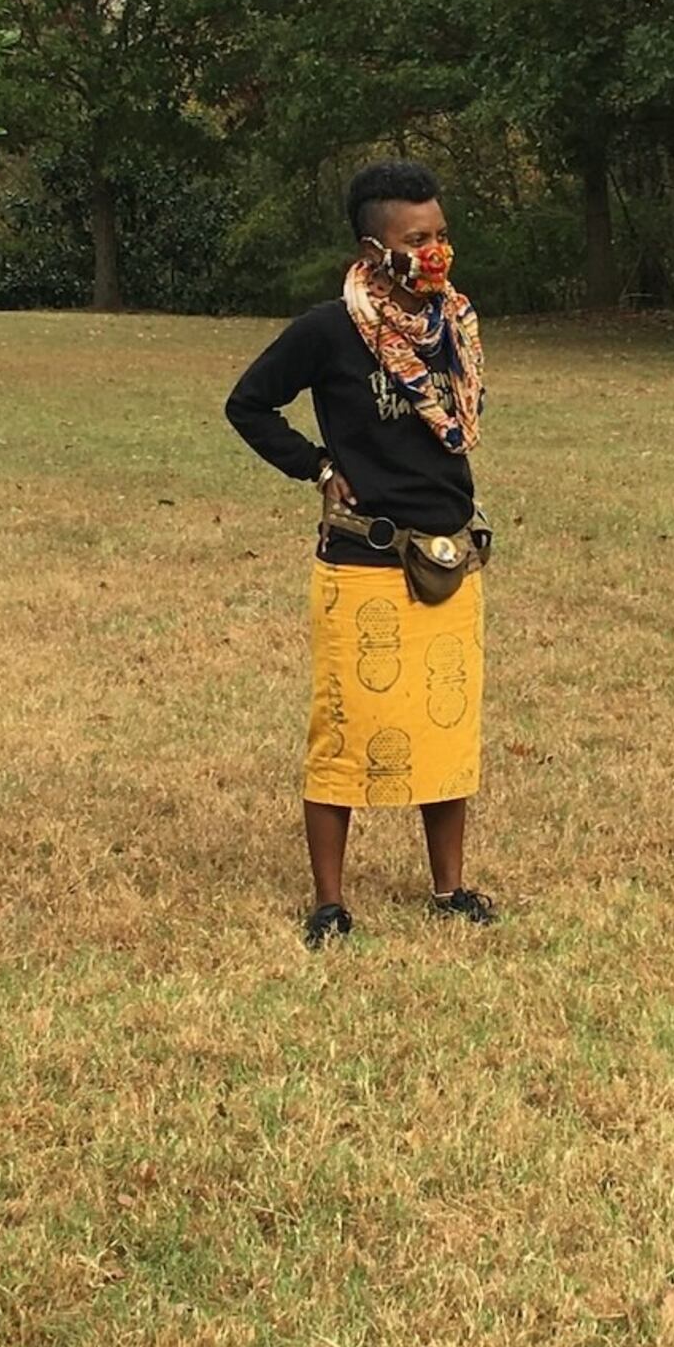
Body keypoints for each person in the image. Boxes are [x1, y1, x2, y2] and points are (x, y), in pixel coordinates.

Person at [226, 157, 496, 948]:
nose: (437, 252)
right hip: (362, 561)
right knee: (343, 734)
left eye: (442, 234)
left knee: (447, 734)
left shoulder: (455, 324)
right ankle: (331, 903)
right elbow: (247, 404)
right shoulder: (328, 329)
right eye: (420, 239)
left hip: (448, 557)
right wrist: (316, 465)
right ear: (376, 249)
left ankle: (449, 889)